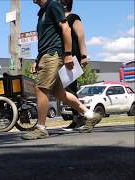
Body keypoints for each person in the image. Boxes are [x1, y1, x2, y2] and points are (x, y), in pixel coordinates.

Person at [22, 0, 101, 140]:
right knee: (59, 93)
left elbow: (66, 29)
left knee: (41, 88)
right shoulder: (42, 12)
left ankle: (41, 128)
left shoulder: (53, 5)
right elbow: (45, 39)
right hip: (46, 54)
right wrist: (37, 59)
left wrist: (68, 54)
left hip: (53, 55)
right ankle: (89, 115)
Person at [58, 0, 89, 131]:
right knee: (67, 89)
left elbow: (81, 36)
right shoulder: (60, 20)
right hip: (63, 58)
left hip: (73, 57)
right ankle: (78, 118)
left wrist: (84, 56)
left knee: (70, 89)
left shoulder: (73, 18)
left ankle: (82, 117)